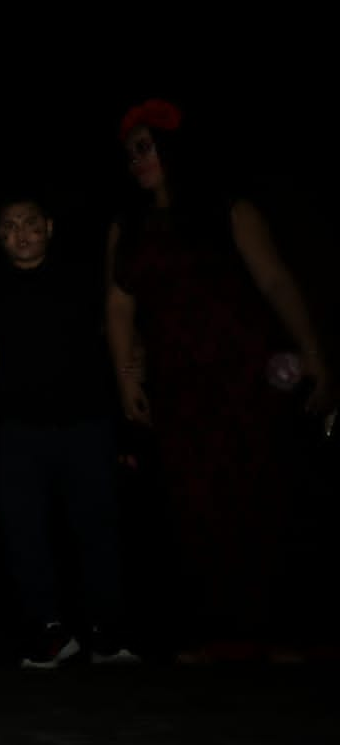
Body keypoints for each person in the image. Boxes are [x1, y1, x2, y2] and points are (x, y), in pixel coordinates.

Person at [105, 98, 333, 663]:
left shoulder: (227, 209)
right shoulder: (128, 227)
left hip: (247, 374)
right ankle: (216, 632)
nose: (137, 159)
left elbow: (277, 282)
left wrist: (314, 356)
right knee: (193, 502)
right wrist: (126, 378)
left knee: (262, 495)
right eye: (130, 152)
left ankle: (280, 634)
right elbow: (119, 308)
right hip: (180, 383)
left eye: (146, 146)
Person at [0, 193, 136, 669]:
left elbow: (114, 332)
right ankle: (49, 632)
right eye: (10, 226)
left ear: (49, 228)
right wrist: (24, 359)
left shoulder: (80, 278)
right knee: (25, 533)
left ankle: (107, 631)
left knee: (97, 526)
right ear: (0, 237)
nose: (21, 232)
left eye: (30, 223)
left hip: (86, 422)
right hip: (20, 431)